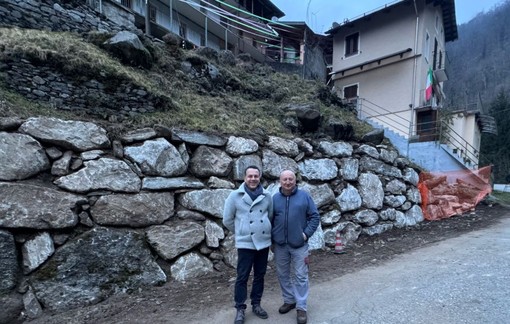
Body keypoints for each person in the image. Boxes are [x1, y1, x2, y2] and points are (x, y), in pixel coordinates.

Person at [223, 165, 273, 324]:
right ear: (244, 178)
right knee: (242, 277)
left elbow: (269, 216)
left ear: (259, 178)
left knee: (260, 275)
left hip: (263, 243)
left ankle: (256, 304)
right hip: (245, 243)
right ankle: (240, 308)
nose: (253, 179)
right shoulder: (234, 196)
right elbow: (227, 220)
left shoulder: (267, 196)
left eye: (256, 176)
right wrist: (242, 231)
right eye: (250, 176)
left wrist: (263, 229)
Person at [272, 170, 320, 324]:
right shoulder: (274, 199)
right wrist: (272, 239)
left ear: (295, 181)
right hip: (280, 245)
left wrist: (305, 234)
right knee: (282, 274)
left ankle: (301, 307)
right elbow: (270, 220)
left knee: (300, 275)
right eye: (285, 179)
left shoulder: (304, 196)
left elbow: (315, 216)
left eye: (290, 179)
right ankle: (289, 300)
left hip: (299, 245)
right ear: (280, 181)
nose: (287, 182)